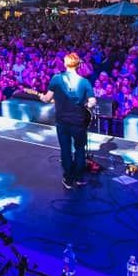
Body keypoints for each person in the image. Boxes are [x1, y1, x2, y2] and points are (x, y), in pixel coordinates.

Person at [37, 52, 96, 189]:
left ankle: (68, 180)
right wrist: (85, 105)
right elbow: (92, 101)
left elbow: (47, 98)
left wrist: (41, 97)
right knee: (80, 149)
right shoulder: (84, 82)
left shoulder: (56, 78)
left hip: (62, 121)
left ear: (65, 64)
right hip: (79, 121)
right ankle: (79, 178)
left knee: (66, 149)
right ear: (78, 65)